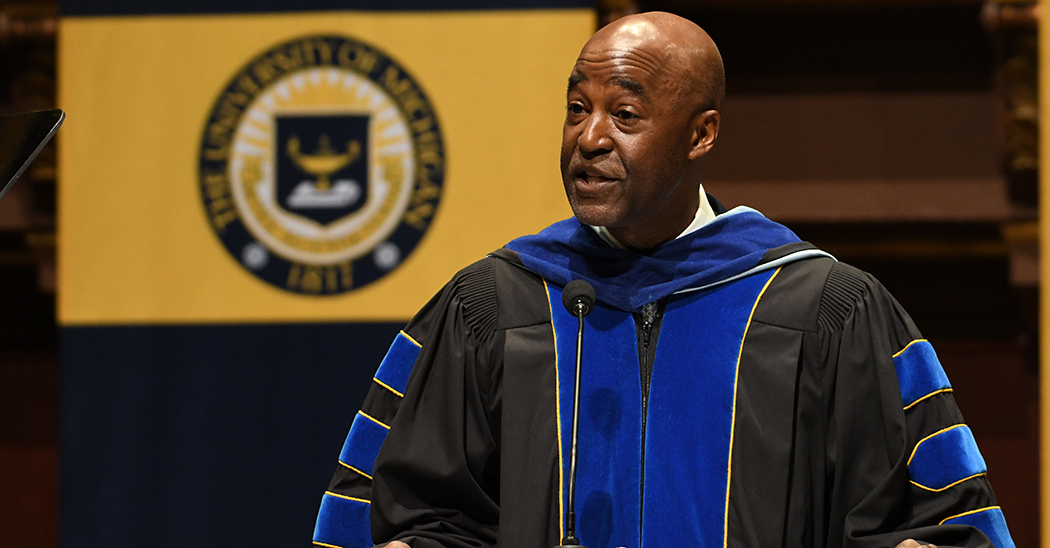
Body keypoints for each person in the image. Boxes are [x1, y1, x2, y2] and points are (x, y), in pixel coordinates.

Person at [312, 12, 1015, 548]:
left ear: (700, 134)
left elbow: (929, 517)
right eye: (576, 109)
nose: (589, 139)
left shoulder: (824, 313)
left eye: (624, 115)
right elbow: (419, 513)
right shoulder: (495, 306)